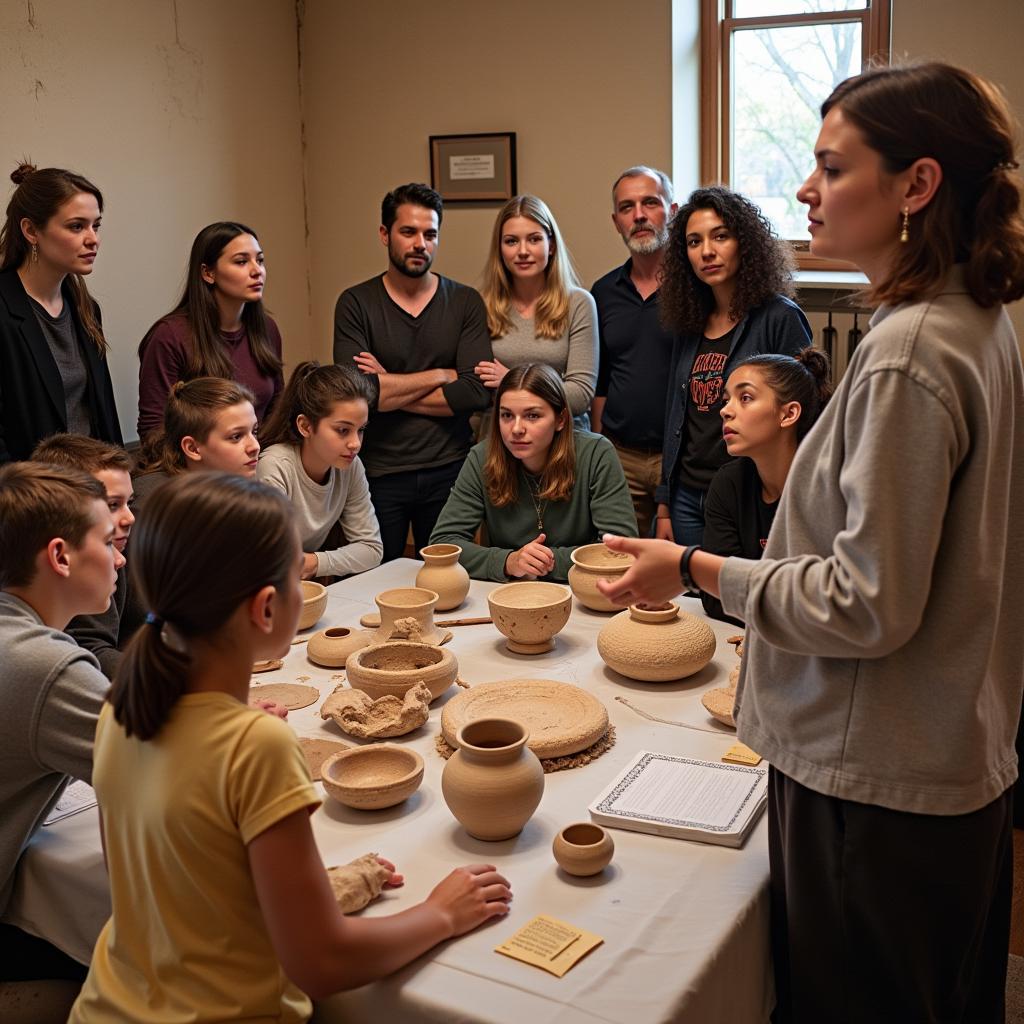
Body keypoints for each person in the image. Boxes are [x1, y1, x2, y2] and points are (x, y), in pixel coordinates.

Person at [597, 62, 1024, 1023]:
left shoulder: (910, 350)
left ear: (916, 186)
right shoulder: (975, 320)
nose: (803, 188)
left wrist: (700, 567)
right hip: (946, 752)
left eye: (832, 167)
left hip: (877, 779)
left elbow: (867, 602)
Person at [68, 472, 512, 1022]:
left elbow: (169, 887)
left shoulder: (121, 709)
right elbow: (322, 962)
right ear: (267, 608)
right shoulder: (256, 744)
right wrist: (440, 914)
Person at [0, 461, 118, 985]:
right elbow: (173, 771)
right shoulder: (46, 666)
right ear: (60, 555)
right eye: (108, 539)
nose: (119, 557)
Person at [333, 183, 492, 562]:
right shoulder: (356, 303)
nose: (421, 243)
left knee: (448, 582)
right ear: (385, 234)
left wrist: (387, 386)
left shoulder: (465, 301)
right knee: (373, 583)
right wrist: (442, 374)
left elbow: (475, 393)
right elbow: (354, 395)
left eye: (430, 233)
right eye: (408, 232)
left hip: (450, 468)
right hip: (377, 471)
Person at [655, 186, 811, 548]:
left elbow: (803, 413)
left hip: (748, 495)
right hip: (686, 495)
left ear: (745, 243)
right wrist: (664, 504)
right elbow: (675, 414)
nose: (707, 251)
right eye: (694, 242)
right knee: (692, 599)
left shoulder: (779, 317)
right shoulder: (688, 322)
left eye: (720, 236)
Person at [430, 363, 637, 582]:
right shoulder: (482, 457)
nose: (517, 429)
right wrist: (508, 561)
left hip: (581, 591)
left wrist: (543, 561)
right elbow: (442, 544)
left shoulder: (596, 453)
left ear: (560, 420)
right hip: (510, 591)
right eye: (507, 415)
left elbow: (621, 549)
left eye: (532, 416)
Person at [0, 164, 122, 463]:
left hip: (94, 481)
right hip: (32, 493)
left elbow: (103, 411)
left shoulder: (85, 307)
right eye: (77, 226)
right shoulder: (4, 310)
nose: (93, 239)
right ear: (31, 231)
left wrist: (121, 475)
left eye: (96, 225)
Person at [701, 348, 832, 624]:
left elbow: (823, 604)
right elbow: (715, 597)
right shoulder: (728, 485)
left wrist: (746, 590)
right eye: (727, 400)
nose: (725, 410)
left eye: (745, 397)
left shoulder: (828, 489)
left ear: (788, 414)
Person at [591, 166, 678, 537]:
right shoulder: (604, 292)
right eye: (627, 207)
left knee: (677, 573)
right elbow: (601, 382)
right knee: (618, 563)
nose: (639, 215)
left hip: (679, 457)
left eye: (650, 203)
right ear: (616, 221)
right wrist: (601, 452)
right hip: (620, 456)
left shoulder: (696, 289)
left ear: (672, 211)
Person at [137, 221, 283, 438]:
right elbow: (154, 428)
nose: (257, 271)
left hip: (257, 461)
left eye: (260, 260)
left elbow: (277, 411)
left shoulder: (267, 329)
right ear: (208, 273)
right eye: (242, 262)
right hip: (196, 468)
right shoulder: (169, 336)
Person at [475, 194, 597, 428]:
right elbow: (476, 388)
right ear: (499, 248)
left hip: (563, 441)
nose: (522, 251)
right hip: (500, 440)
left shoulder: (579, 303)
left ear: (550, 245)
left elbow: (580, 395)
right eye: (511, 241)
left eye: (533, 239)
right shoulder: (482, 304)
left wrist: (508, 381)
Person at [257, 361, 383, 580]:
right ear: (305, 426)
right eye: (343, 430)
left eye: (360, 430)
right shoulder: (274, 466)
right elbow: (273, 560)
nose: (355, 443)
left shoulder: (351, 466)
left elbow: (371, 550)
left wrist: (314, 563)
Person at [30, 434, 137, 677]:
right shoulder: (80, 567)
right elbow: (92, 647)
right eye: (112, 505)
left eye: (129, 502)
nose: (129, 517)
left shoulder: (122, 544)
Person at [132, 377, 260, 510]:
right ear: (193, 448)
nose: (255, 446)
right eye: (236, 436)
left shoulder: (242, 477)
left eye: (254, 431)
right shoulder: (159, 508)